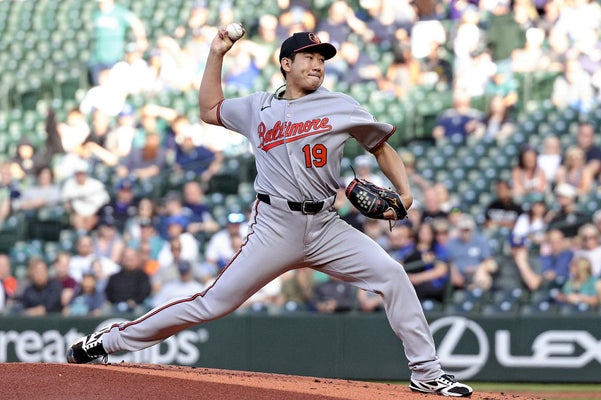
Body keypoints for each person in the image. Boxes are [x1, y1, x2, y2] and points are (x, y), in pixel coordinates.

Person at [66, 29, 473, 397]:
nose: (317, 64)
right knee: (211, 304)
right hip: (275, 226)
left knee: (392, 275)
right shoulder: (257, 107)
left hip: (326, 225)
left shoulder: (341, 105)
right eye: (309, 56)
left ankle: (427, 373)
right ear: (286, 64)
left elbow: (380, 147)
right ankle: (108, 341)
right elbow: (209, 109)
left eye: (322, 58)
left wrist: (406, 193)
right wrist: (216, 54)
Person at [447, 214, 497, 291]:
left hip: (476, 273)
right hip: (460, 274)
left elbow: (489, 261)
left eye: (467, 230)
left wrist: (480, 269)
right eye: (463, 229)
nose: (465, 232)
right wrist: (454, 274)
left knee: (483, 279)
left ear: (472, 229)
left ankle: (478, 294)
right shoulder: (452, 243)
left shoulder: (480, 240)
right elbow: (450, 262)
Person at [104, 246, 151, 314]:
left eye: (131, 257)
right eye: (126, 257)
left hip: (136, 305)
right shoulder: (114, 277)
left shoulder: (142, 276)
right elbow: (109, 293)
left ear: (137, 258)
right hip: (116, 305)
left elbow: (145, 292)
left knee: (139, 311)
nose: (128, 259)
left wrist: (135, 301)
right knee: (106, 309)